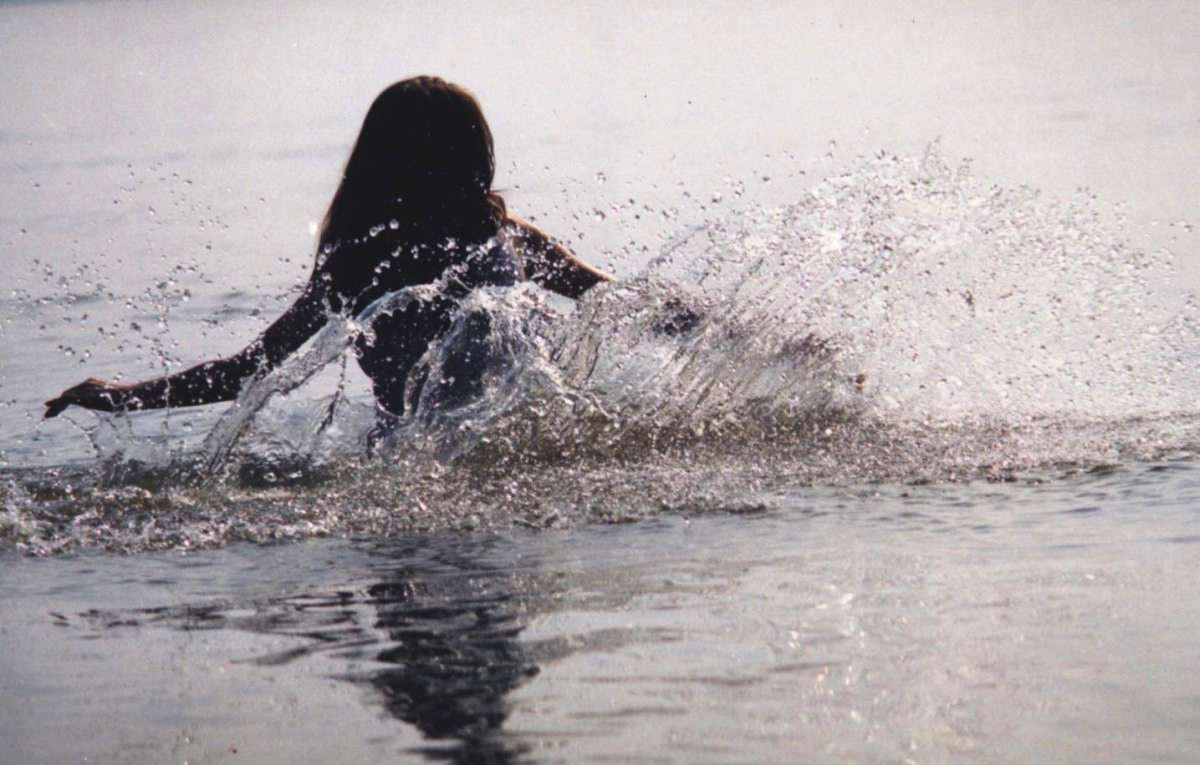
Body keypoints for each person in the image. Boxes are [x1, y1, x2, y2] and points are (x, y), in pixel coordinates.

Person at [44, 76, 611, 423]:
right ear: (477, 156)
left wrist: (124, 396)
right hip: (505, 444)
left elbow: (245, 373)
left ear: (377, 161)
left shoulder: (362, 262)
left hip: (408, 465)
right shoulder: (505, 238)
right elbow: (618, 303)